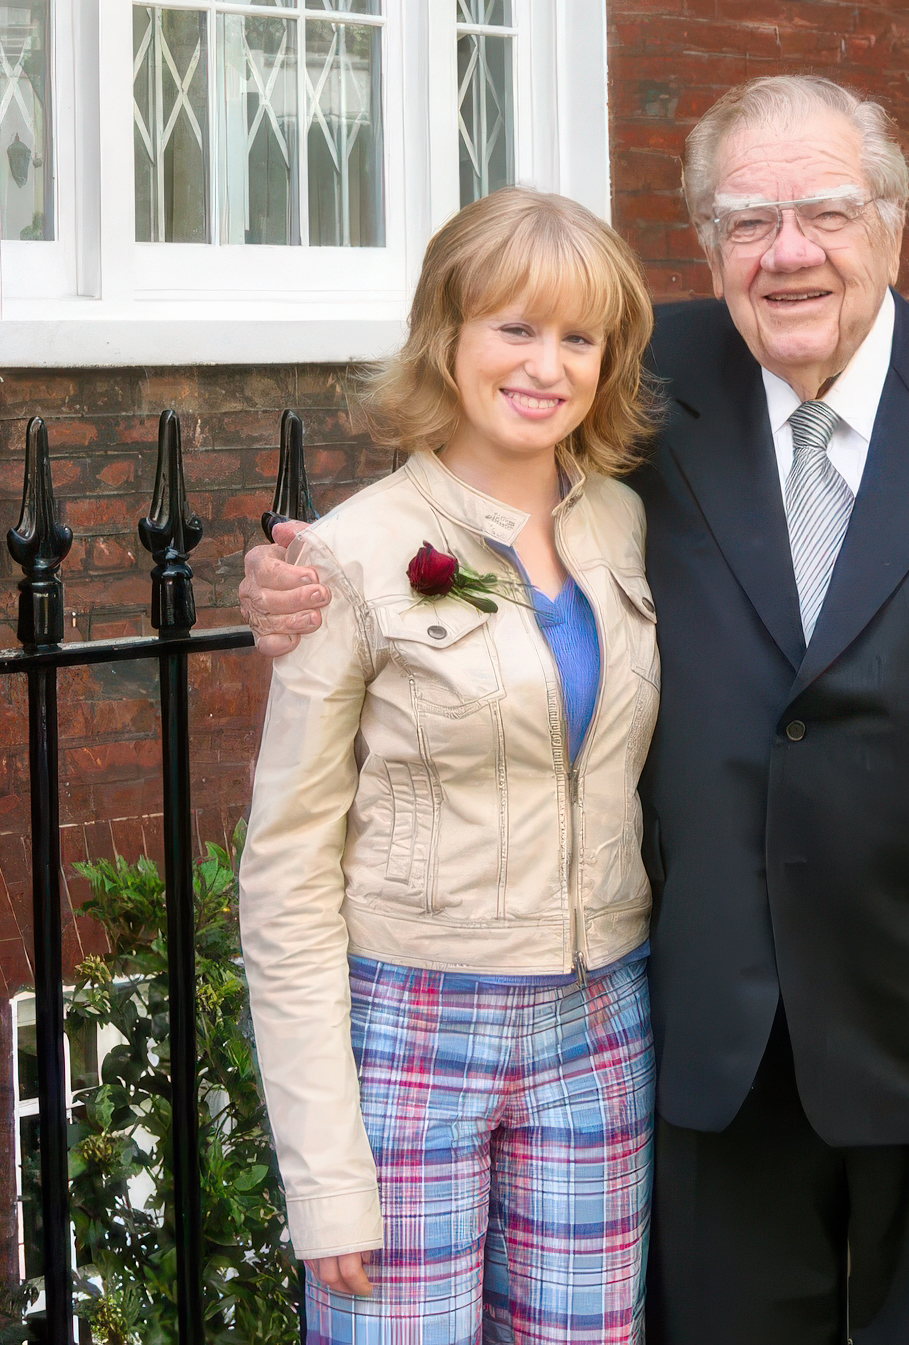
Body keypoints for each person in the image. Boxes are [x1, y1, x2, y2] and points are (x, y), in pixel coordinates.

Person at [239, 76, 909, 1345]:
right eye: (745, 222)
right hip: (708, 1044)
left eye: (825, 212)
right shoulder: (643, 376)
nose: (788, 253)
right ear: (705, 245)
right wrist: (305, 575)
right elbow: (474, 461)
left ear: (893, 221)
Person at [237, 186, 661, 1345]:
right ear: (449, 337)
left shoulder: (626, 523)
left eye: (580, 337)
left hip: (601, 1019)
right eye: (514, 328)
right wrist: (323, 1172)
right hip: (410, 1032)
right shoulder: (353, 551)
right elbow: (284, 871)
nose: (546, 365)